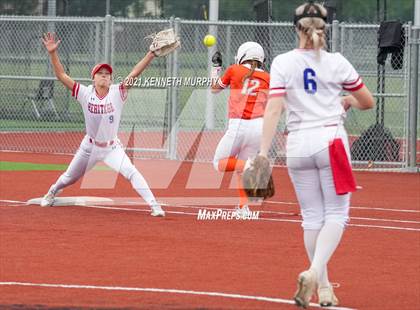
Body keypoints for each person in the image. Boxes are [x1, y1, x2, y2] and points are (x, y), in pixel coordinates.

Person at [258, 2, 374, 308]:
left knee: (311, 217)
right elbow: (367, 101)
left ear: (296, 28)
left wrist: (261, 153)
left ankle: (323, 287)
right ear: (325, 28)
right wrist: (347, 100)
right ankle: (312, 273)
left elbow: (273, 108)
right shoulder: (336, 62)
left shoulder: (283, 62)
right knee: (337, 214)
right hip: (330, 139)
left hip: (296, 144)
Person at [40, 32, 167, 217]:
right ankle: (52, 191)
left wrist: (151, 54)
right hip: (89, 147)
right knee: (69, 178)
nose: (105, 76)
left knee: (131, 172)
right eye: (101, 73)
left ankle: (154, 205)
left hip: (112, 147)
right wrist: (52, 53)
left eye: (107, 74)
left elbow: (135, 72)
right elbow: (61, 75)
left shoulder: (118, 92)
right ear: (94, 78)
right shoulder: (84, 93)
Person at [210, 42, 270, 217]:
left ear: (243, 55)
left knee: (218, 163)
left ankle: (252, 166)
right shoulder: (267, 76)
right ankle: (244, 208)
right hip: (259, 126)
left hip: (239, 125)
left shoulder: (234, 69)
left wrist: (216, 67)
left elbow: (214, 89)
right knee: (240, 169)